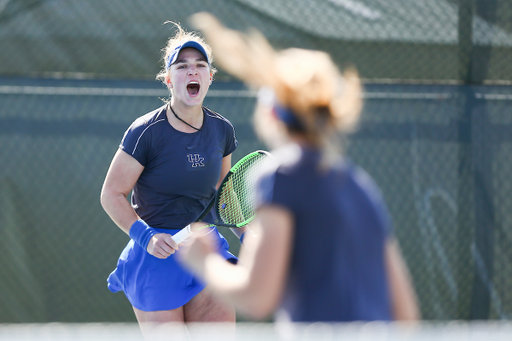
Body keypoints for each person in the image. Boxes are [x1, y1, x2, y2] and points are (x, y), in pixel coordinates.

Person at [178, 12, 420, 323]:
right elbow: (406, 314)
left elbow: (257, 296)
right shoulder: (361, 187)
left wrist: (206, 262)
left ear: (272, 114)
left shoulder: (280, 176)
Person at [100, 21, 244, 337]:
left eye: (200, 66)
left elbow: (223, 196)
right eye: (182, 66)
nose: (192, 72)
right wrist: (146, 236)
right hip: (155, 260)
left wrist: (246, 234)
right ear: (169, 80)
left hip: (206, 251)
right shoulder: (145, 132)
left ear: (209, 77)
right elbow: (111, 193)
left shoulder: (222, 130)